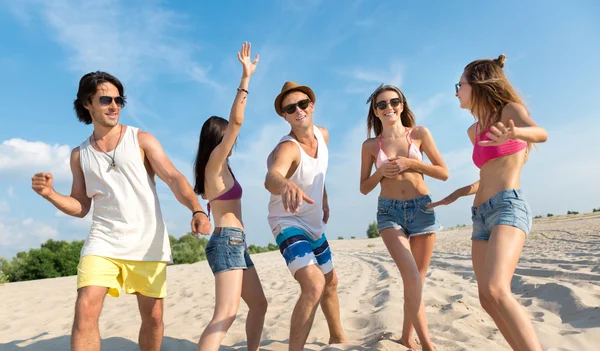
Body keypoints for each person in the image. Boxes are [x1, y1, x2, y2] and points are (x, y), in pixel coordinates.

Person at [31, 71, 211, 351]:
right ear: (87, 103)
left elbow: (173, 178)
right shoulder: (79, 155)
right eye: (105, 99)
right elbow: (81, 206)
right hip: (103, 240)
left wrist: (197, 210)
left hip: (146, 241)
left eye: (118, 100)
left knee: (153, 317)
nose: (114, 105)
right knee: (85, 308)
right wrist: (51, 195)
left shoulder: (141, 139)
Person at [429, 54, 547, 351]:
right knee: (486, 297)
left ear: (478, 84)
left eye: (460, 85)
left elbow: (540, 133)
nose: (457, 91)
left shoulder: (510, 111)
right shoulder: (474, 130)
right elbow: (487, 175)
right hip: (480, 214)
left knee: (497, 288)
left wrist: (516, 131)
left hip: (508, 206)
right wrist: (461, 192)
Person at [360, 84, 448, 351]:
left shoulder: (420, 133)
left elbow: (443, 172)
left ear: (402, 104)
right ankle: (427, 345)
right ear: (375, 112)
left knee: (417, 279)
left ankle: (406, 337)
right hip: (389, 212)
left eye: (393, 102)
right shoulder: (370, 145)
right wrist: (380, 172)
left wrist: (412, 163)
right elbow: (364, 187)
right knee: (411, 275)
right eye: (382, 104)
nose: (389, 108)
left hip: (422, 208)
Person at [193, 42, 267, 351]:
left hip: (236, 242)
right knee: (225, 314)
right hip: (227, 242)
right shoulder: (216, 162)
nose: (233, 141)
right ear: (219, 139)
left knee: (259, 304)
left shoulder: (220, 168)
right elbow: (236, 121)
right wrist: (246, 79)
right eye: (228, 137)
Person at [265, 81, 346, 350]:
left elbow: (319, 171)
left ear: (312, 105)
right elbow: (272, 176)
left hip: (313, 222)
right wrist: (285, 184)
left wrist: (324, 199)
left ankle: (338, 338)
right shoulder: (287, 148)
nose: (298, 110)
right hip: (287, 222)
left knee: (330, 282)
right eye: (290, 108)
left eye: (302, 104)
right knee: (314, 284)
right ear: (284, 115)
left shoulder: (323, 135)